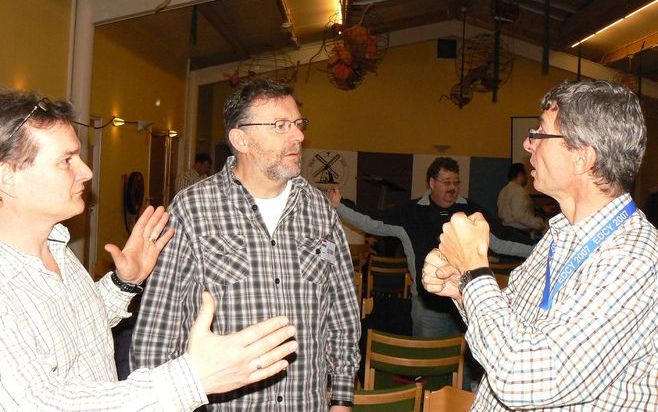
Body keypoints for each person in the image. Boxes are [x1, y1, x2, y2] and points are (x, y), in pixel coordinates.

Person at [0, 89, 298, 411]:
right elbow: (43, 404)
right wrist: (193, 378)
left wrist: (124, 282)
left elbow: (72, 329)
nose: (86, 171)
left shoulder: (57, 247)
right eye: (66, 161)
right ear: (7, 176)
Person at [423, 80, 658, 410]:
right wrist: (461, 286)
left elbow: (523, 376)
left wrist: (476, 273)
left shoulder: (633, 258)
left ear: (582, 158)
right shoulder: (561, 234)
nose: (527, 143)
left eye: (540, 133)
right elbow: (511, 327)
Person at [131, 78, 361, 411]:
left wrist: (341, 397)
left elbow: (342, 315)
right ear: (241, 139)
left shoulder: (319, 210)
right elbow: (159, 329)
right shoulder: (194, 209)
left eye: (298, 124)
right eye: (281, 126)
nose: (298, 136)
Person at [327, 157, 535, 339]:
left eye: (456, 182)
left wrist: (541, 248)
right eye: (446, 182)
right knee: (428, 368)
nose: (452, 188)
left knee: (468, 370)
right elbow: (373, 221)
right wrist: (340, 206)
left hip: (468, 303)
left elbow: (502, 239)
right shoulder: (411, 212)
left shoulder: (472, 211)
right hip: (428, 308)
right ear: (431, 183)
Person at [497, 162, 545, 234]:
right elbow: (520, 216)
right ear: (520, 174)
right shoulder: (519, 191)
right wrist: (539, 225)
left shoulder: (504, 190)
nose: (527, 177)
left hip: (506, 230)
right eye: (525, 174)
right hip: (518, 233)